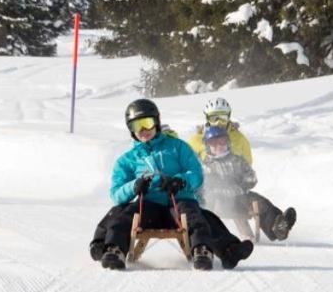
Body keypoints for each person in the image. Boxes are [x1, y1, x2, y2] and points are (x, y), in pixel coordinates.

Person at [89, 98, 253, 271]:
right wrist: (134, 186)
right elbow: (116, 193)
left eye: (147, 123)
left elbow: (196, 173)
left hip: (179, 202)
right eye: (137, 126)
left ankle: (204, 250)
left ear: (157, 122)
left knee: (197, 217)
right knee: (124, 215)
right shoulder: (128, 160)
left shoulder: (178, 147)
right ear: (130, 129)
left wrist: (181, 181)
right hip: (148, 206)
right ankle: (113, 249)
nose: (143, 130)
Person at [187, 97, 296, 241]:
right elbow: (189, 166)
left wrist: (240, 180)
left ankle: (278, 225)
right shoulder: (196, 140)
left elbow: (247, 165)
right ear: (207, 118)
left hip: (237, 189)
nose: (219, 122)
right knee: (204, 204)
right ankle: (203, 234)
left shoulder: (239, 138)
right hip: (211, 194)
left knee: (259, 202)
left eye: (223, 117)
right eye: (215, 118)